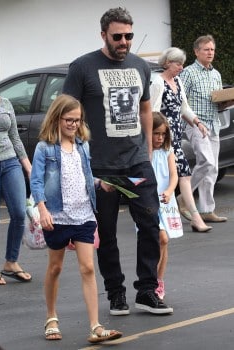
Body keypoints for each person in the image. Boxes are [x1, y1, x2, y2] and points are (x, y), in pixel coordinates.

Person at [63, 7, 173, 315]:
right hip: (100, 167)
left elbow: (146, 110)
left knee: (150, 225)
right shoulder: (82, 67)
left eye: (129, 36)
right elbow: (65, 112)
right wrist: (72, 154)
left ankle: (147, 291)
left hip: (137, 163)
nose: (124, 41)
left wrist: (149, 153)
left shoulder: (140, 66)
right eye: (117, 36)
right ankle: (115, 294)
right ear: (103, 35)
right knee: (107, 234)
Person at [30, 94, 122, 343]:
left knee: (88, 268)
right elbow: (36, 181)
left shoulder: (83, 145)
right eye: (69, 120)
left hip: (83, 214)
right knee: (56, 267)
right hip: (57, 216)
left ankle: (95, 326)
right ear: (57, 118)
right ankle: (51, 317)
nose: (73, 124)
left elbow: (85, 177)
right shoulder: (45, 148)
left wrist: (101, 183)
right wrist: (43, 209)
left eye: (77, 120)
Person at [150, 47, 212, 233]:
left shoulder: (177, 81)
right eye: (178, 64)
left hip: (175, 139)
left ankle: (193, 216)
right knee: (176, 177)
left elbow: (184, 108)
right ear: (168, 63)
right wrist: (154, 141)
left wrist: (197, 122)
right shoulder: (158, 82)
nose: (181, 67)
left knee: (184, 176)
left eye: (182, 64)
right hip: (162, 140)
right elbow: (151, 113)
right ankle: (194, 217)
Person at [179, 35, 227, 222]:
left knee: (213, 168)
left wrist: (226, 102)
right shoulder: (188, 72)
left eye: (212, 49)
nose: (210, 53)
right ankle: (184, 196)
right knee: (206, 162)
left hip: (214, 124)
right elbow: (182, 101)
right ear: (196, 51)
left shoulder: (216, 74)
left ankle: (207, 210)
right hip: (196, 125)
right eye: (206, 49)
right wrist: (194, 121)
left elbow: (217, 102)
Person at [0, 96, 32, 286]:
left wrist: (28, 166)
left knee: (19, 212)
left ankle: (11, 262)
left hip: (10, 163)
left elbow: (14, 137)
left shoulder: (5, 103)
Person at [151, 112, 183, 300]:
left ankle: (159, 280)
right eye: (156, 133)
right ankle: (151, 280)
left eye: (163, 134)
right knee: (159, 238)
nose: (160, 138)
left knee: (164, 241)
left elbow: (174, 175)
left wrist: (170, 191)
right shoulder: (146, 151)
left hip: (166, 200)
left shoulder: (167, 150)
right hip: (149, 201)